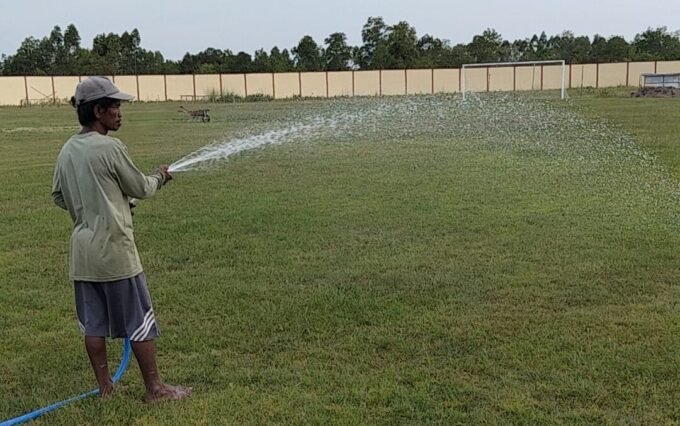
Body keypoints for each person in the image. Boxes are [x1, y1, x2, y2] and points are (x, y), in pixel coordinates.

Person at [51, 76, 191, 403]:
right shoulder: (111, 147)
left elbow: (58, 195)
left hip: (83, 255)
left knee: (93, 325)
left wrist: (96, 205)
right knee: (139, 320)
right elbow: (140, 187)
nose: (119, 112)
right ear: (97, 111)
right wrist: (161, 177)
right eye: (114, 106)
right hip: (115, 252)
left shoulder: (67, 149)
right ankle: (155, 389)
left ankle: (105, 389)